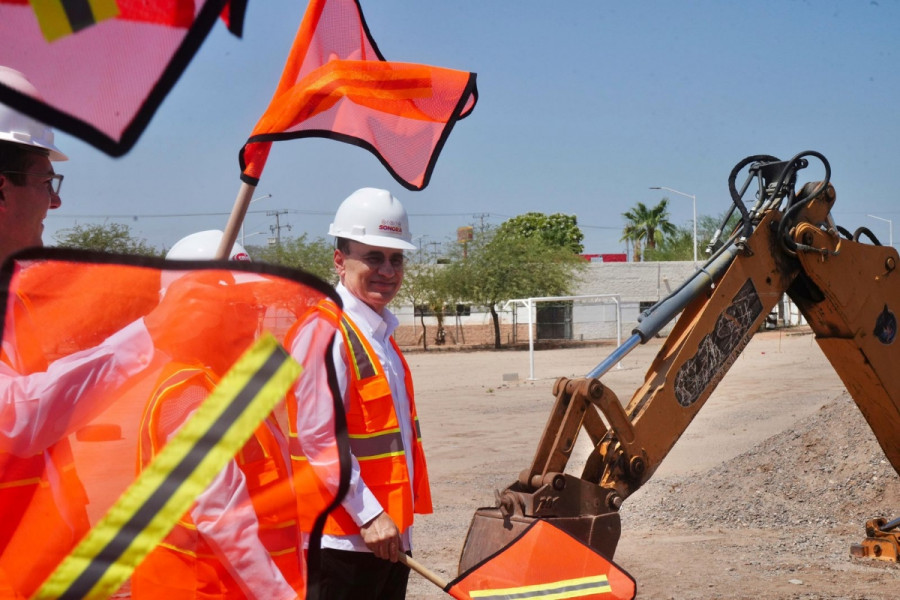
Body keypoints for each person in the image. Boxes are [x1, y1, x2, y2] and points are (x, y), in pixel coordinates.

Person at [132, 231, 303, 600]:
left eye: (252, 305)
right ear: (194, 312)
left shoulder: (232, 386)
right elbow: (227, 524)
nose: (251, 320)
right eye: (235, 306)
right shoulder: (189, 398)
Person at [286, 188, 432, 599]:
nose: (387, 270)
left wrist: (390, 524)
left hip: (386, 535)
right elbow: (319, 440)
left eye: (396, 258)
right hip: (343, 541)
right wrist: (369, 515)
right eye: (374, 257)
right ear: (339, 260)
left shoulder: (381, 334)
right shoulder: (326, 331)